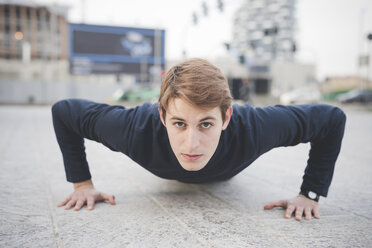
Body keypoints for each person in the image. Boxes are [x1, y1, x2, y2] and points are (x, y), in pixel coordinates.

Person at [52, 58, 346, 221]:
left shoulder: (254, 128)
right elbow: (64, 112)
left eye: (206, 124)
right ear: (163, 116)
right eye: (179, 123)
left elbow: (332, 120)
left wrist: (310, 194)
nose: (191, 144)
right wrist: (82, 184)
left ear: (227, 118)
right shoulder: (133, 129)